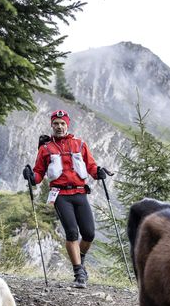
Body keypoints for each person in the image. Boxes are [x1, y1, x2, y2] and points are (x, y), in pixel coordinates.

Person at [23, 109, 107, 288]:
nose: (59, 127)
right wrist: (31, 177)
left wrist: (98, 173)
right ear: (51, 125)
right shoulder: (45, 148)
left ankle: (80, 258)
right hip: (60, 195)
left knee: (89, 233)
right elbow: (39, 173)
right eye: (56, 124)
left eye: (62, 124)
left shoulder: (80, 144)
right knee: (71, 233)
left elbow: (91, 166)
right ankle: (79, 273)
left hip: (80, 193)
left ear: (67, 125)